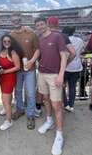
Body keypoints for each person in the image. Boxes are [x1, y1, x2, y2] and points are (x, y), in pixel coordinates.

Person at [35, 17, 68, 155]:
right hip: (42, 73)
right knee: (45, 99)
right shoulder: (39, 39)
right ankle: (49, 121)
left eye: (42, 24)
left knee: (57, 106)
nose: (40, 27)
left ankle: (59, 135)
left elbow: (64, 55)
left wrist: (61, 74)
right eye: (37, 25)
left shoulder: (57, 36)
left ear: (46, 24)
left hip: (54, 75)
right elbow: (39, 53)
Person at [10, 12, 40, 130]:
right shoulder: (11, 35)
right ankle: (20, 110)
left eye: (18, 19)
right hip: (17, 69)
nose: (16, 21)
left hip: (30, 68)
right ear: (12, 22)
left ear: (21, 19)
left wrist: (32, 61)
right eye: (14, 20)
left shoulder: (31, 33)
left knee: (31, 93)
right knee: (17, 91)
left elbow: (37, 50)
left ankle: (30, 115)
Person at [0, 34, 21, 130]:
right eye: (4, 41)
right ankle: (7, 111)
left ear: (11, 42)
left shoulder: (13, 53)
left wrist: (5, 71)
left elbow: (18, 67)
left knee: (5, 100)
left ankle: (9, 121)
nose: (6, 43)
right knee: (7, 98)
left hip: (9, 78)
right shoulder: (2, 51)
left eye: (8, 41)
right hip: (2, 77)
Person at [62, 26, 85, 112]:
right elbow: (83, 50)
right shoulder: (79, 40)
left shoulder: (63, 39)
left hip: (65, 67)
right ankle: (71, 105)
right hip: (76, 67)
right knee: (72, 87)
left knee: (62, 87)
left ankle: (65, 104)